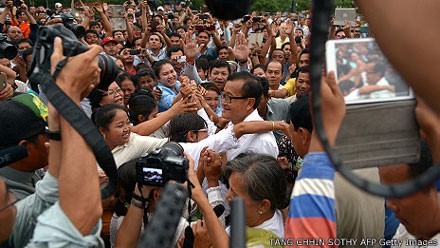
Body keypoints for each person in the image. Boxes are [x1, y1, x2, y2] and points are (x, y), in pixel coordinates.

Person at [0, 94, 48, 200]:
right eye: (47, 135)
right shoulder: (8, 203)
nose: (53, 141)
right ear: (25, 148)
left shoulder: (26, 169)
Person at [94, 104, 168, 168]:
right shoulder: (90, 148)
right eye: (120, 126)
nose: (127, 128)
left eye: (128, 123)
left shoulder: (134, 142)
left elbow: (167, 143)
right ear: (103, 130)